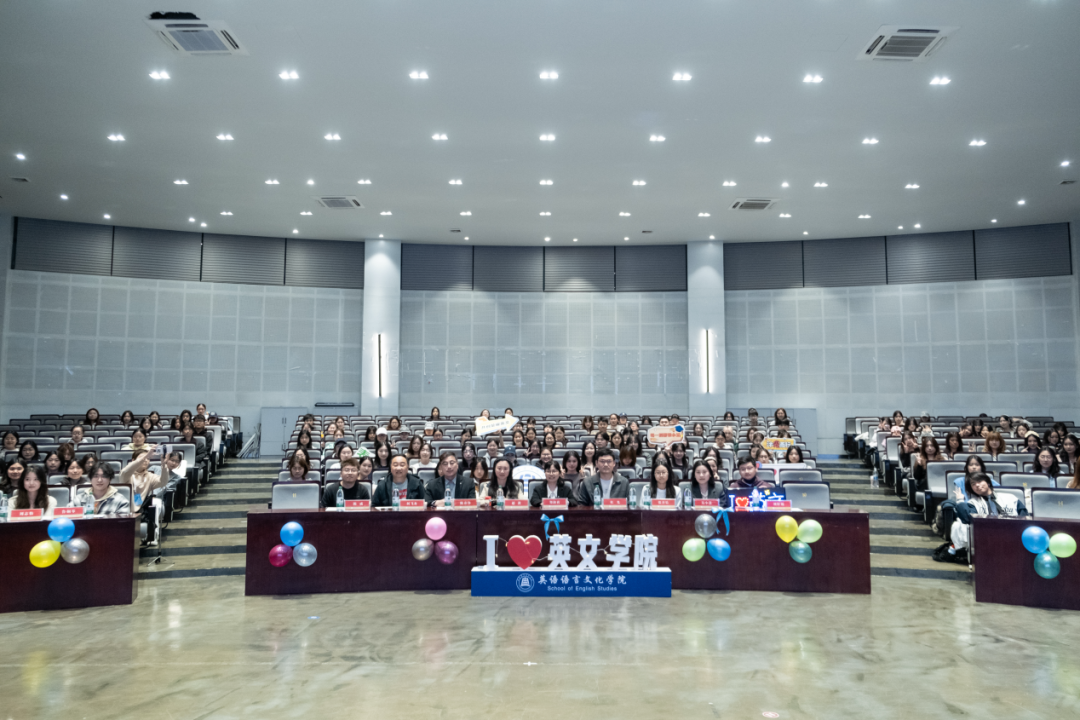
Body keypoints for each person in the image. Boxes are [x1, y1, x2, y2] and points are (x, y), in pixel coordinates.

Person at [944, 472, 1027, 563]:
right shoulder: (973, 503)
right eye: (973, 484)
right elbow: (967, 518)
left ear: (988, 482)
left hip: (1012, 533)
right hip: (987, 538)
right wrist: (960, 500)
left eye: (979, 481)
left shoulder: (1010, 498)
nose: (977, 485)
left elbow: (1024, 516)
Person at [119, 448, 170, 545]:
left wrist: (164, 465)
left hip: (140, 506)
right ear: (133, 460)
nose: (146, 460)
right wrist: (146, 456)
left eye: (148, 458)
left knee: (155, 504)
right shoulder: (127, 474)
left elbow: (163, 482)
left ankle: (151, 536)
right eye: (142, 458)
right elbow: (125, 472)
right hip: (124, 506)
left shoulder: (149, 476)